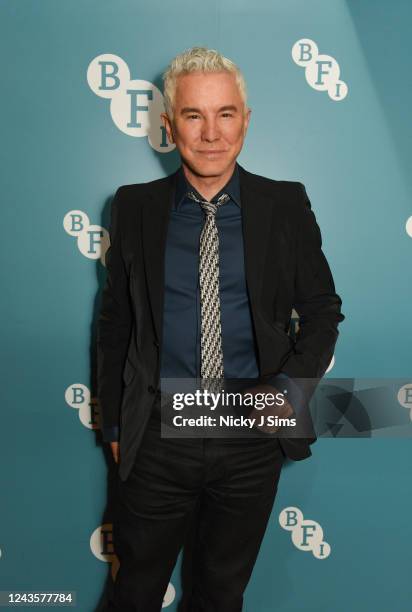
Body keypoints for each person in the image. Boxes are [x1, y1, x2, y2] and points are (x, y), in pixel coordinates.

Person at [97, 46, 345, 612]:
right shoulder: (134, 207)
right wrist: (114, 421)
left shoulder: (285, 204)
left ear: (246, 120)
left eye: (225, 114)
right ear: (169, 125)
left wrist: (285, 395)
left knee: (220, 596)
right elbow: (116, 324)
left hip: (249, 439)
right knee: (134, 593)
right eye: (193, 115)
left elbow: (323, 310)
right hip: (158, 436)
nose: (211, 133)